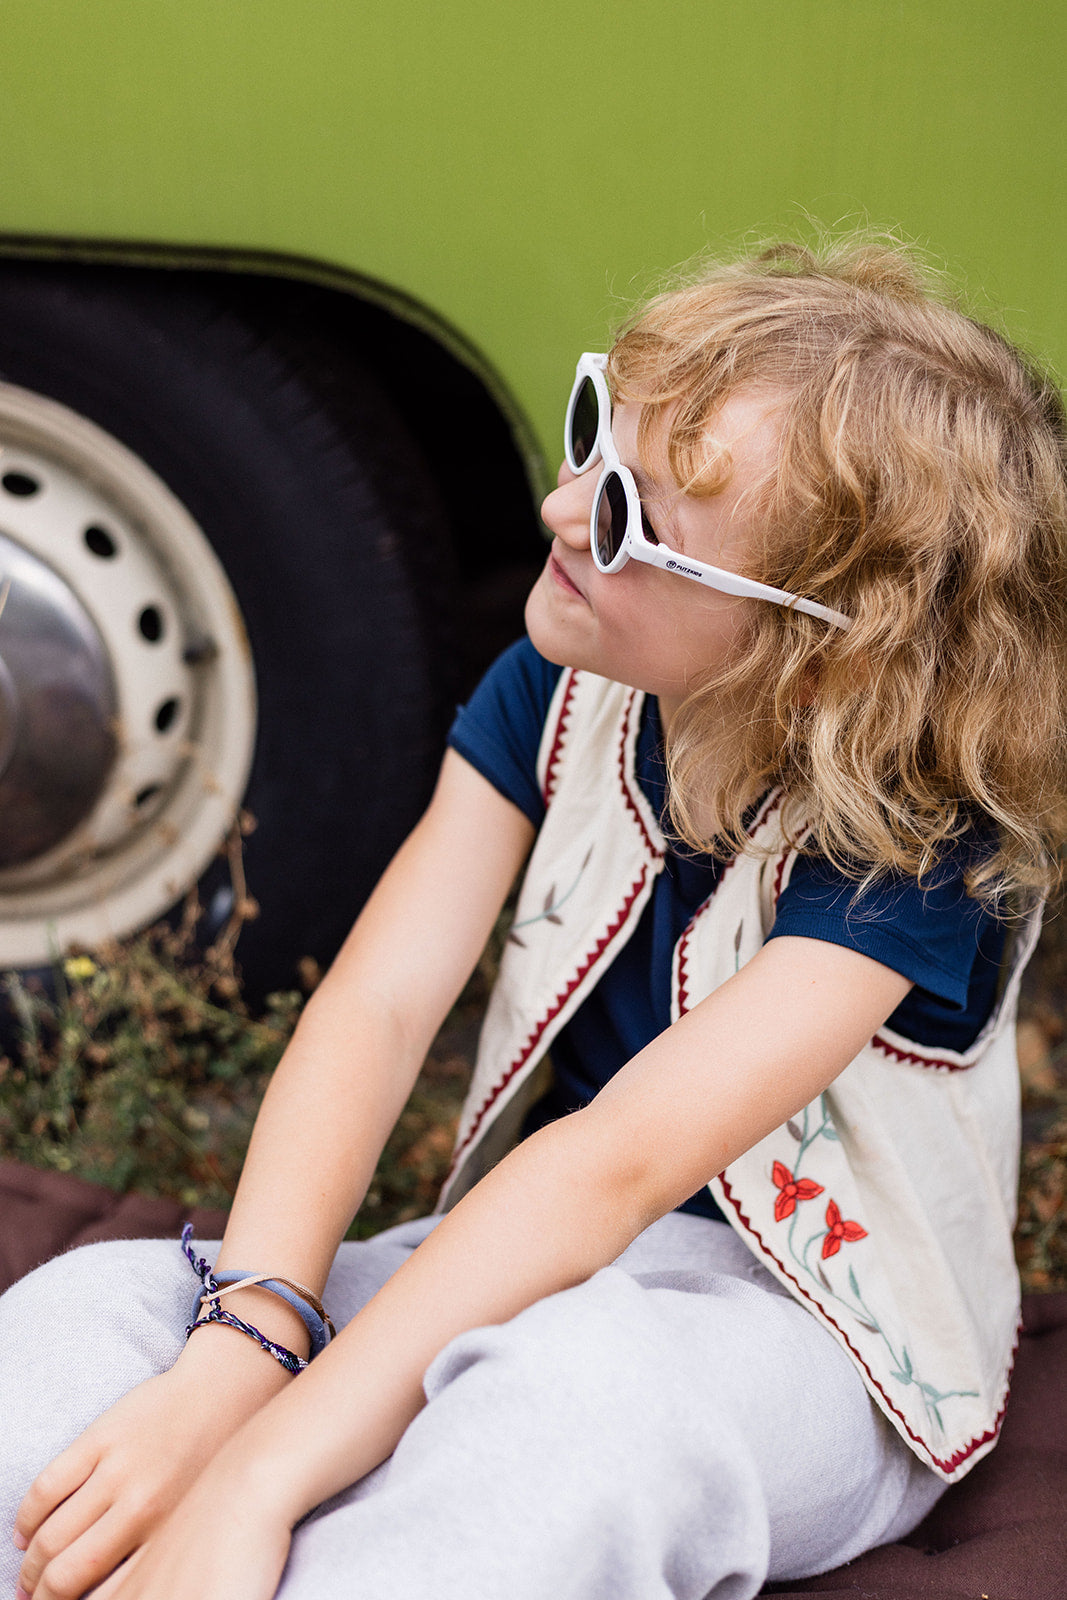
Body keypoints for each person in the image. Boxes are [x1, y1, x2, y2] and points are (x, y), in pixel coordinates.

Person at [4, 236, 1067, 1600]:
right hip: (528, 1262)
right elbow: (381, 1013)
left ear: (819, 657)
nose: (565, 510)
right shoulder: (558, 689)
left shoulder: (910, 842)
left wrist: (262, 1469)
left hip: (808, 1329)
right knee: (92, 1320)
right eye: (589, 437)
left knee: (566, 1423)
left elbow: (616, 1162)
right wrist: (242, 1348)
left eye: (630, 518)